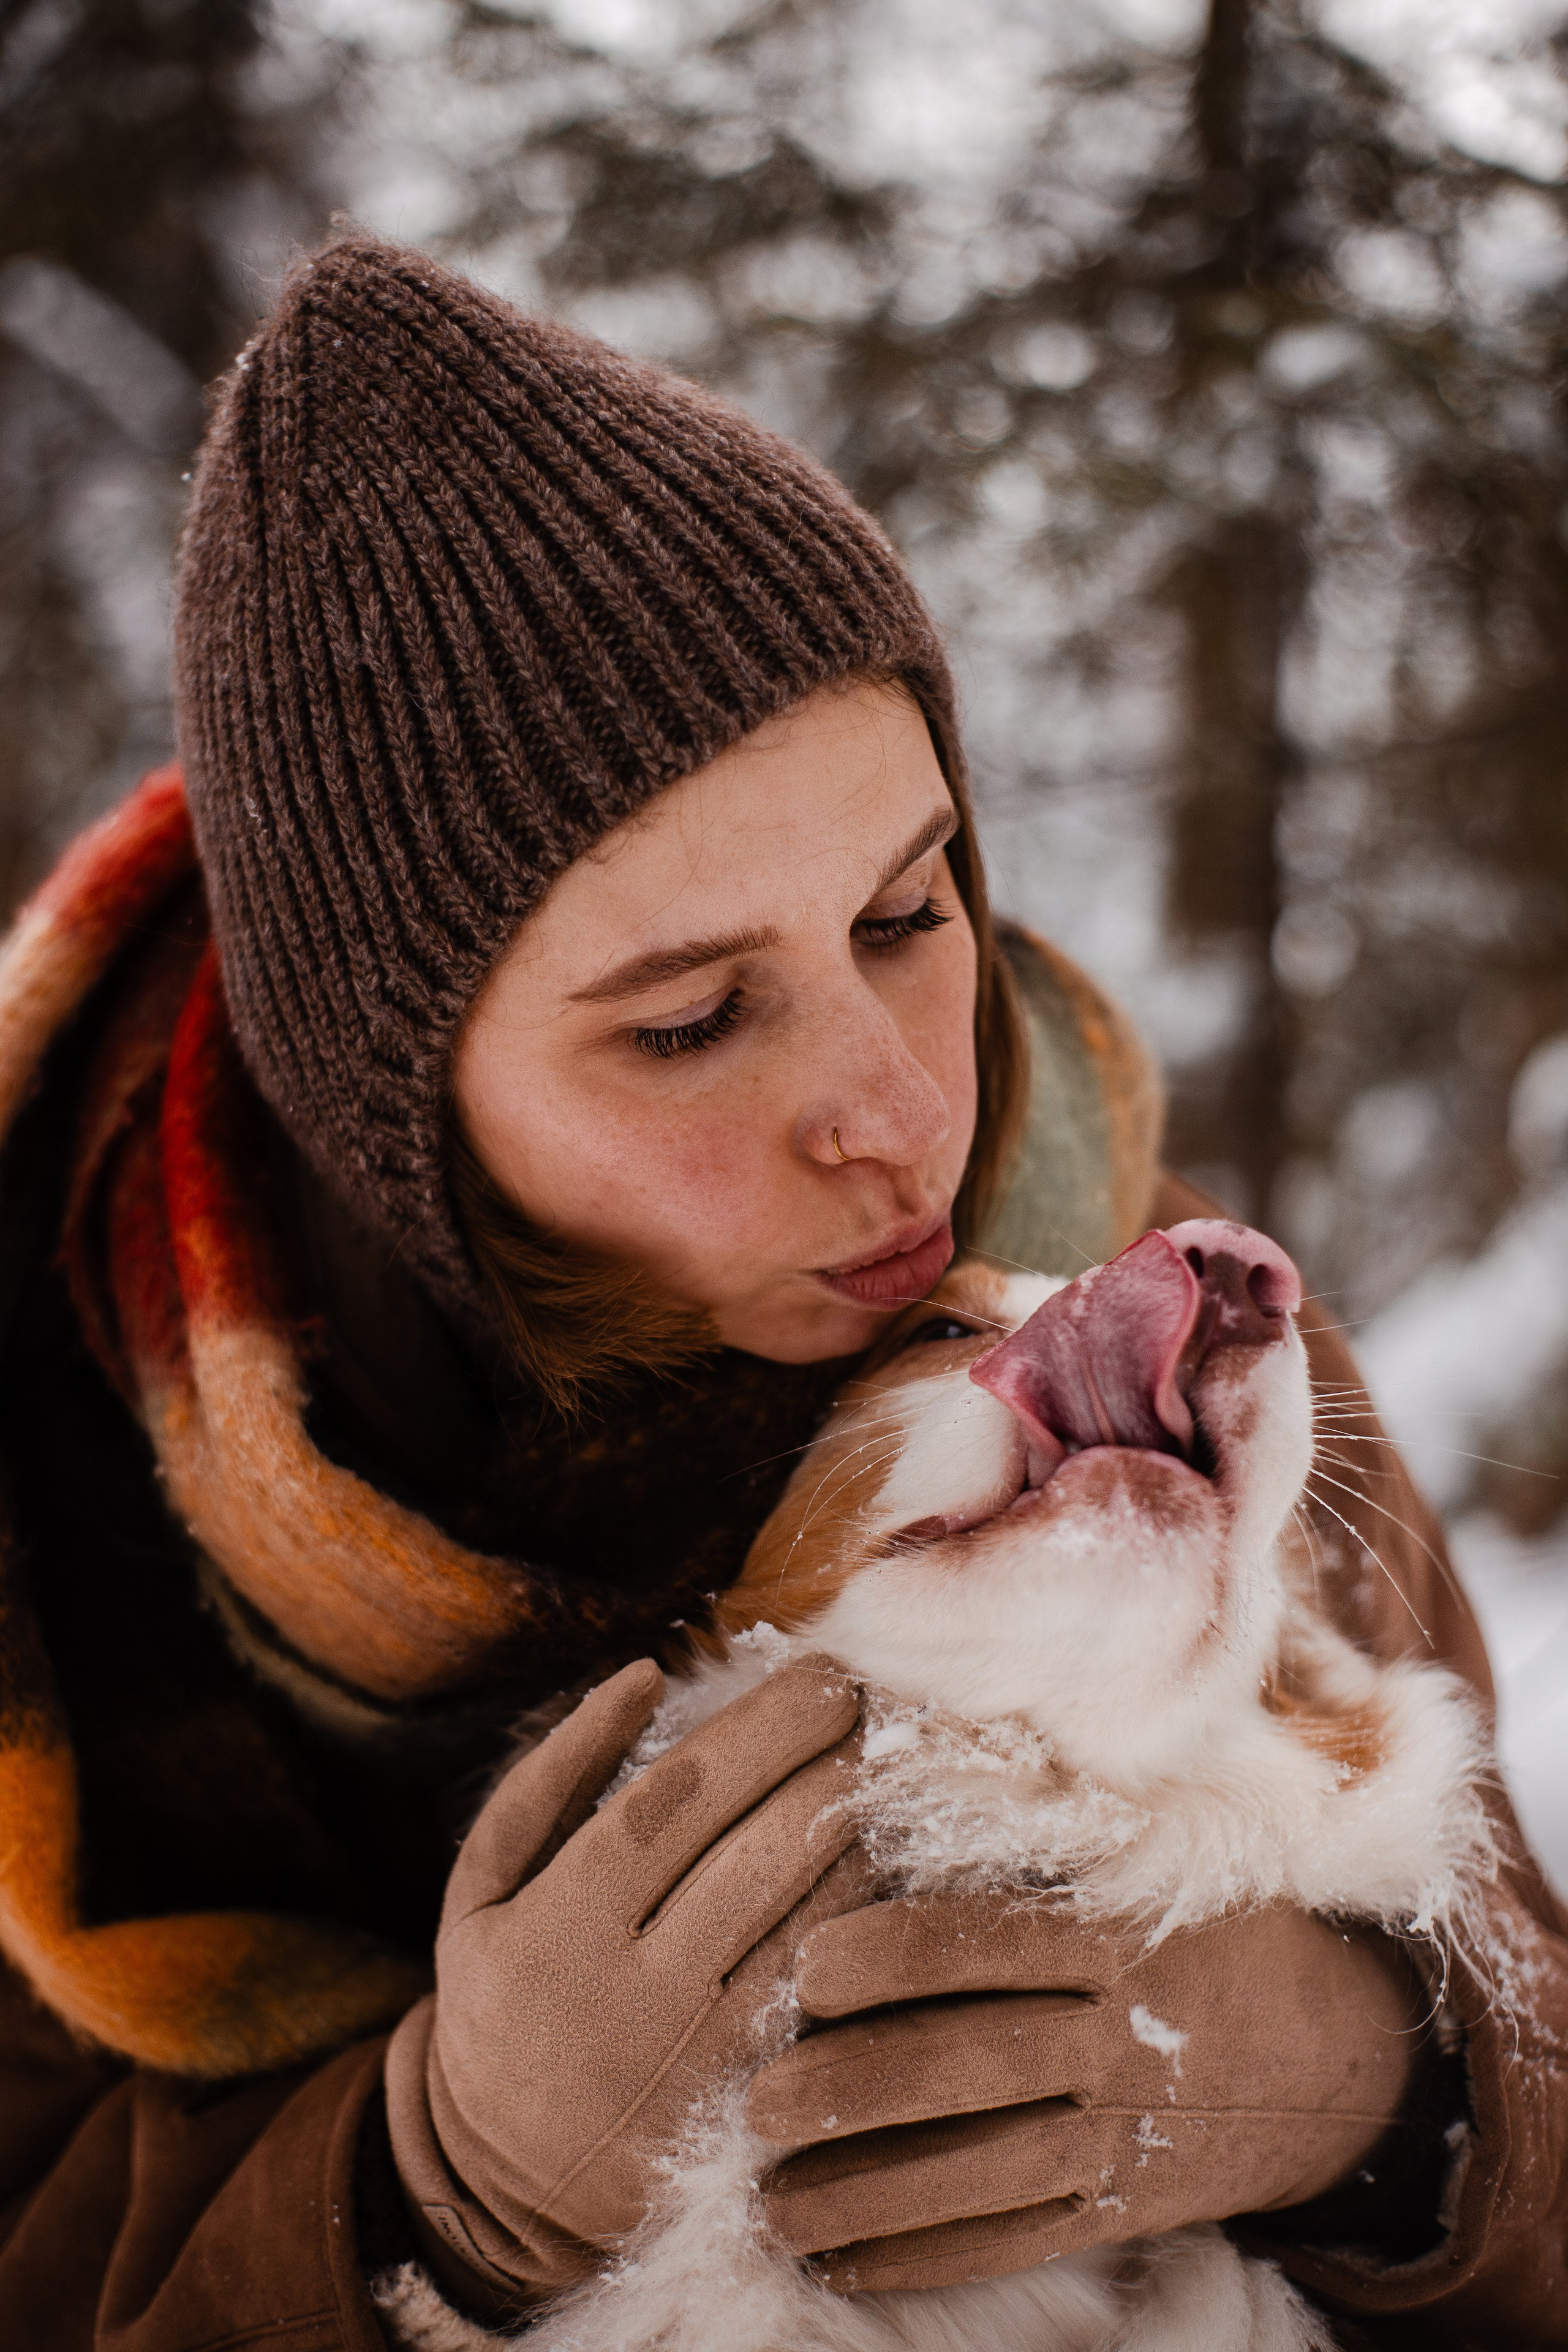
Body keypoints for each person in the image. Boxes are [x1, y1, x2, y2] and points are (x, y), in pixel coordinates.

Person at [0, 233, 1562, 2351]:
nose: (905, 1116)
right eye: (687, 1023)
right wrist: (418, 2197)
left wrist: (1378, 2101)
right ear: (395, 1127)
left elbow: (1541, 2065)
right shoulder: (48, 1489)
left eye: (906, 912)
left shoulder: (1142, 1354)